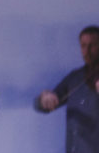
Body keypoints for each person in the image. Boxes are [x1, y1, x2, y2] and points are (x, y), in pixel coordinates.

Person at [35, 25, 99, 153]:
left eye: (92, 45)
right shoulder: (74, 78)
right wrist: (43, 100)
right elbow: (43, 106)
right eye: (83, 46)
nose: (87, 51)